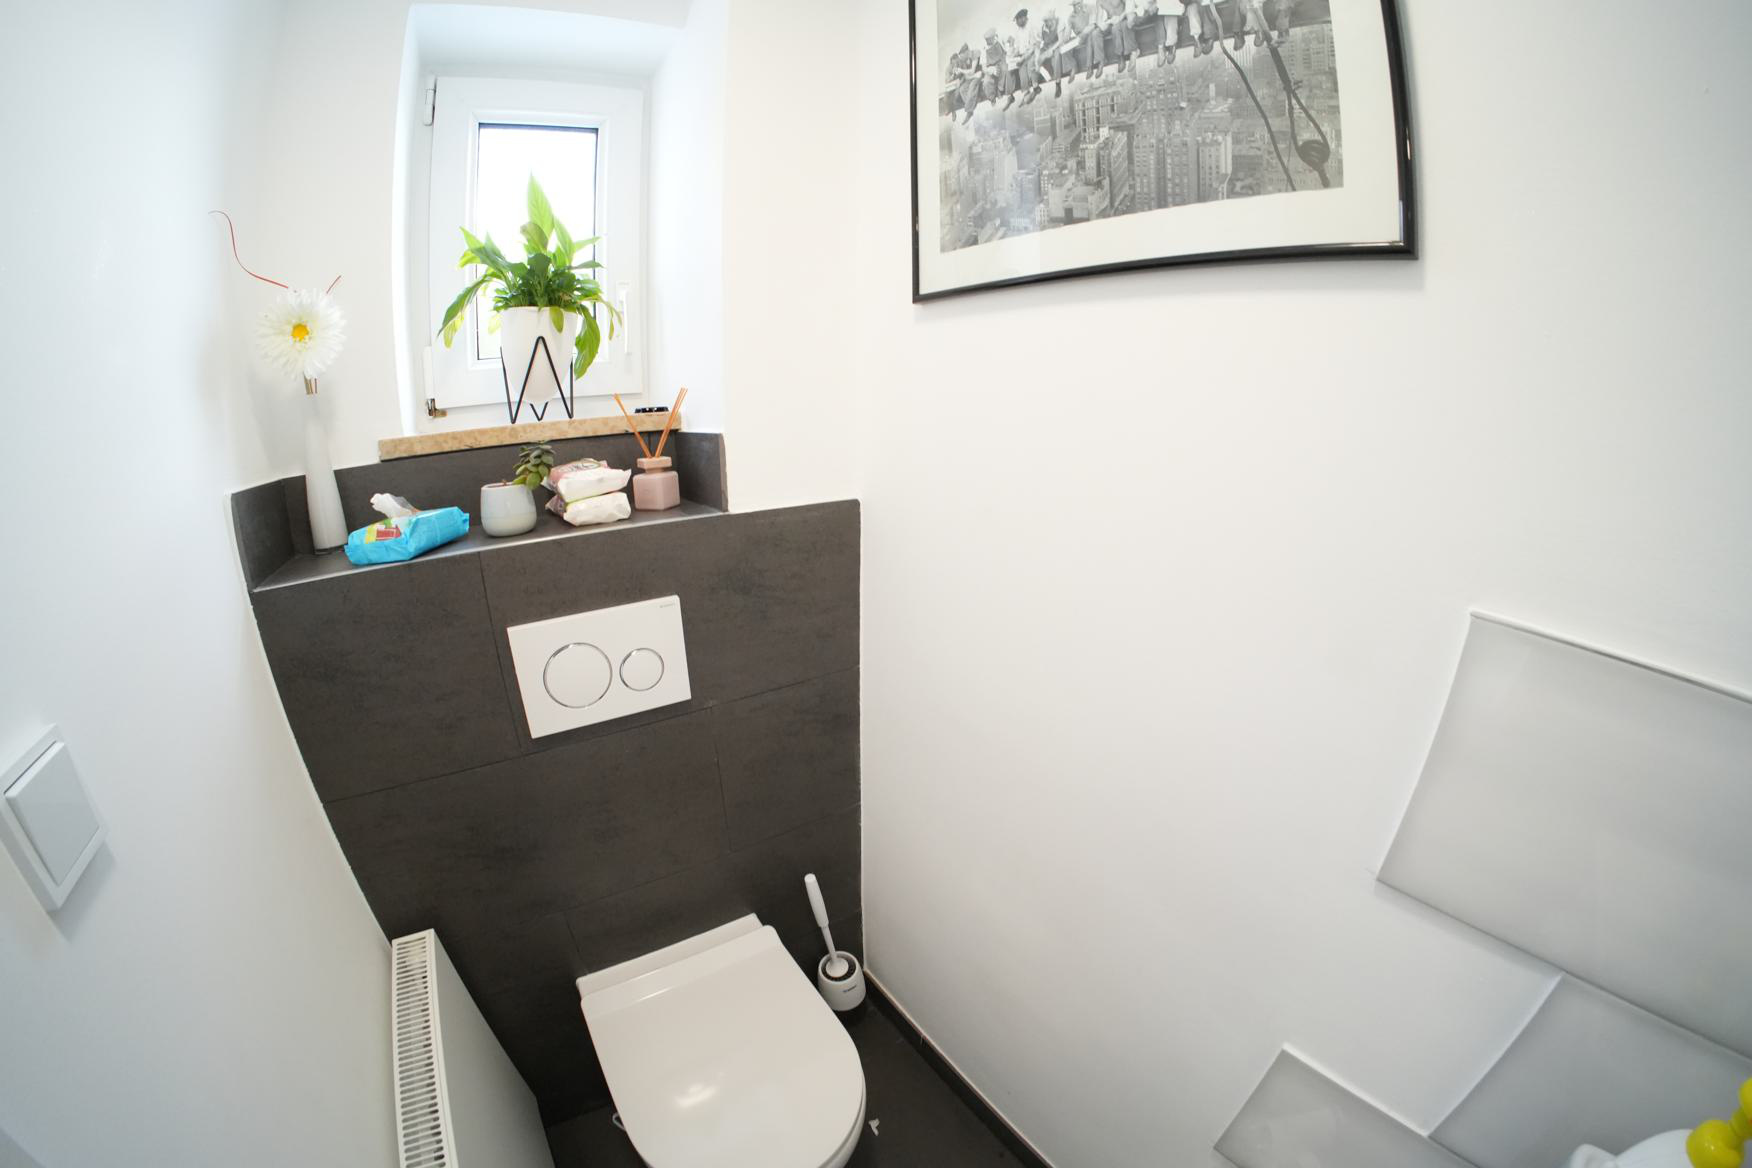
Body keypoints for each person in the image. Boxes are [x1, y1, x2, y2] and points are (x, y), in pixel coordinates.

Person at [1065, 0, 1104, 81]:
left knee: (1090, 37)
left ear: (1082, 2)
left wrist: (1083, 35)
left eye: (1078, 3)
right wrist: (1065, 38)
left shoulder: (1090, 8)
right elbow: (1068, 32)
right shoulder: (1071, 17)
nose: (1077, 6)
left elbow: (1092, 24)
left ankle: (1090, 67)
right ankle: (1073, 67)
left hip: (1090, 31)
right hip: (1079, 36)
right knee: (1065, 46)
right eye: (1075, 5)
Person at [1098, 0, 1141, 75]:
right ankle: (1120, 57)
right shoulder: (1099, 2)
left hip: (1125, 17)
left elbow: (1129, 5)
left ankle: (1133, 52)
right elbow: (1099, 17)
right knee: (1114, 29)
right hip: (1113, 22)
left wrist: (1120, 17)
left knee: (1125, 25)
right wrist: (1105, 23)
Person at [947, 42, 982, 123]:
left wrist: (961, 70)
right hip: (970, 77)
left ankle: (969, 112)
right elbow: (966, 74)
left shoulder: (975, 54)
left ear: (966, 52)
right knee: (962, 89)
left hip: (977, 75)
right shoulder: (966, 60)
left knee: (972, 86)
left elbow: (972, 71)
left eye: (963, 55)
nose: (962, 57)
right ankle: (972, 104)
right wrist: (957, 72)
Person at [980, 27, 1013, 112]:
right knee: (986, 82)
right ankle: (992, 98)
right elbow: (983, 68)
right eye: (987, 40)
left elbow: (1011, 39)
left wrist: (1010, 49)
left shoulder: (1000, 41)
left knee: (1005, 70)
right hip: (990, 68)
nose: (988, 41)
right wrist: (990, 70)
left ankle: (1008, 95)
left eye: (990, 39)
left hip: (1002, 62)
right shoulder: (984, 49)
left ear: (993, 37)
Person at [1036, 10, 1064, 98]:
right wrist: (1040, 55)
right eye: (1045, 21)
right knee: (1038, 59)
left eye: (1048, 20)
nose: (1047, 23)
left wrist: (1051, 50)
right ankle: (1049, 75)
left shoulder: (1059, 23)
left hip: (1056, 45)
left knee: (1056, 56)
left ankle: (1058, 83)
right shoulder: (1043, 28)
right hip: (1046, 46)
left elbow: (1060, 40)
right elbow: (1039, 42)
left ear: (1052, 19)